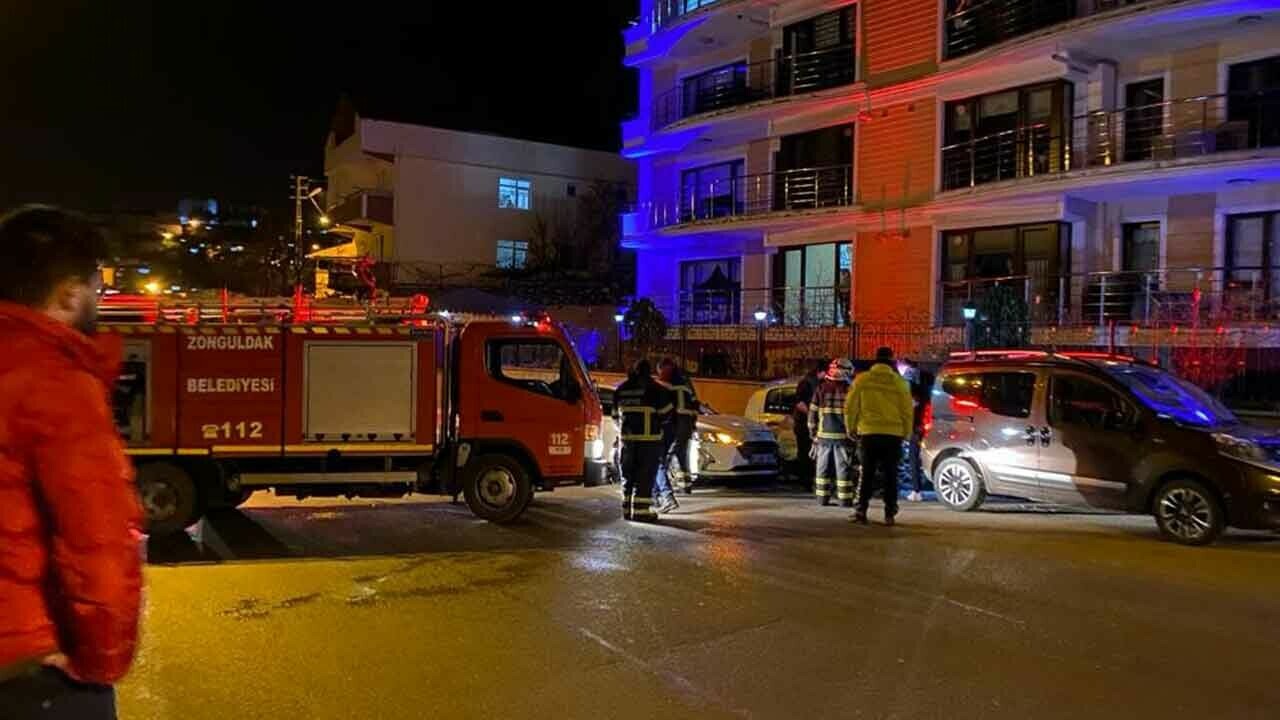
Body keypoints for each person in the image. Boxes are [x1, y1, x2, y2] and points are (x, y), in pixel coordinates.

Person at [0, 206, 144, 719]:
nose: (99, 300)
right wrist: (101, 661)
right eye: (96, 287)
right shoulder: (55, 381)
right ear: (67, 292)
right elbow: (99, 544)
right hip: (31, 672)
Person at [844, 346, 914, 526]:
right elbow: (907, 411)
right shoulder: (900, 383)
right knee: (890, 475)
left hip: (869, 433)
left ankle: (861, 510)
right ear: (891, 360)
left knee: (866, 473)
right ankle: (889, 513)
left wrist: (850, 427)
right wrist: (906, 432)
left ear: (875, 360)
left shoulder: (862, 380)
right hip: (893, 435)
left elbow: (851, 406)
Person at [614, 358, 673, 523]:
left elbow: (614, 415)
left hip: (626, 442)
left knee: (628, 475)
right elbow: (667, 414)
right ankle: (641, 512)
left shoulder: (622, 389)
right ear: (649, 372)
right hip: (649, 442)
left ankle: (626, 509)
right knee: (644, 477)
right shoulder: (655, 389)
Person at [809, 358, 856, 507]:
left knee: (822, 468)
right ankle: (845, 499)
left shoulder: (821, 389)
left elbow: (812, 414)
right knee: (843, 469)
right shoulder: (850, 391)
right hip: (843, 438)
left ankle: (822, 499)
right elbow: (854, 415)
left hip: (823, 437)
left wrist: (813, 433)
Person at [656, 358, 698, 507]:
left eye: (660, 371)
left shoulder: (665, 385)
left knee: (664, 458)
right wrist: (693, 424)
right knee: (682, 454)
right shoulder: (686, 385)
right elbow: (695, 404)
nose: (659, 374)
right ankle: (686, 485)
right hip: (686, 423)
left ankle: (662, 491)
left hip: (675, 424)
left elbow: (664, 408)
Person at [792, 359, 828, 489]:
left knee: (812, 454)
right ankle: (805, 481)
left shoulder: (819, 383)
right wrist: (812, 415)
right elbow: (799, 403)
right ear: (821, 371)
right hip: (803, 425)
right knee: (806, 452)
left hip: (812, 424)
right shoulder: (806, 383)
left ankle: (810, 479)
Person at [899, 358, 927, 502]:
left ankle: (916, 491)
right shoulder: (924, 382)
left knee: (913, 458)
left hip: (914, 427)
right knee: (917, 458)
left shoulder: (909, 384)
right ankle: (917, 489)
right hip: (922, 426)